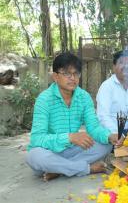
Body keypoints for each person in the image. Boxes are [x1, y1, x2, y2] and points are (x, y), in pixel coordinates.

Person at [26, 52, 119, 181]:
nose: (72, 78)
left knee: (106, 144)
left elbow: (93, 127)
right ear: (55, 76)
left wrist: (109, 136)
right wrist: (69, 137)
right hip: (50, 151)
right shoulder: (44, 99)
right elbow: (37, 139)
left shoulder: (84, 97)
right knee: (34, 156)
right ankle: (86, 169)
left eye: (76, 73)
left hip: (73, 151)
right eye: (67, 74)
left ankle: (59, 170)